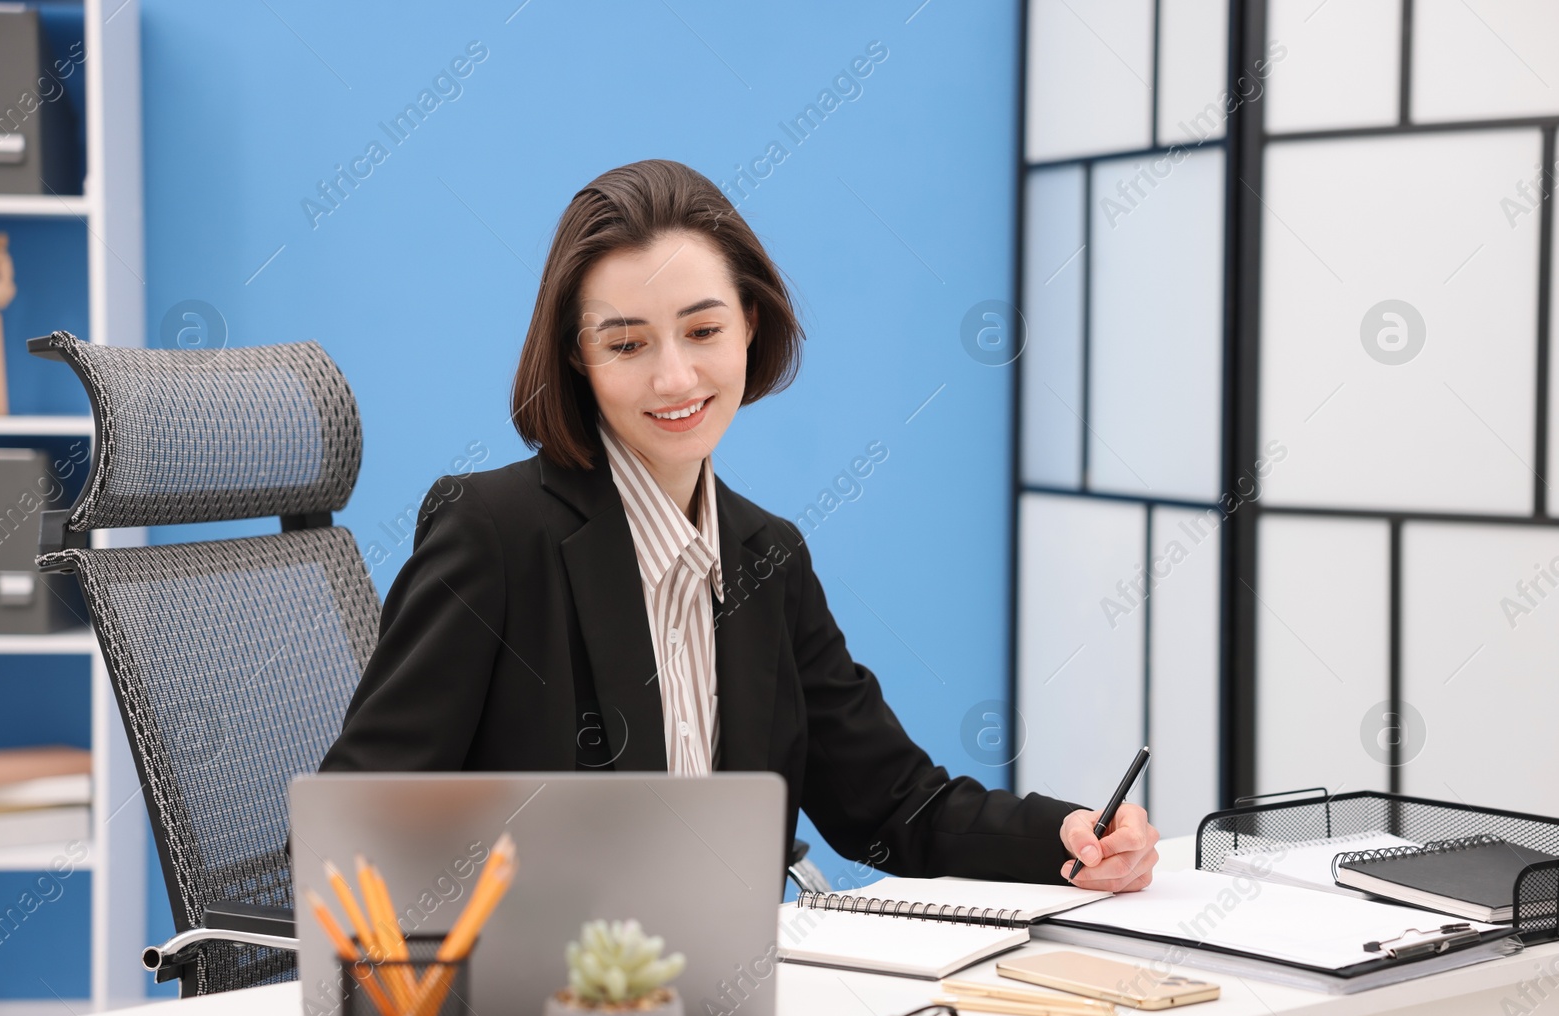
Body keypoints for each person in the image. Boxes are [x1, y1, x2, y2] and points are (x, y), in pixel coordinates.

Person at [318, 159, 1159, 892]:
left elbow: (894, 805)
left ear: (749, 326)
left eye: (704, 329)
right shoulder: (492, 535)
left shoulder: (769, 558)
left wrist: (1067, 833)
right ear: (580, 357)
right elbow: (357, 831)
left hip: (734, 1014)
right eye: (627, 344)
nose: (675, 375)